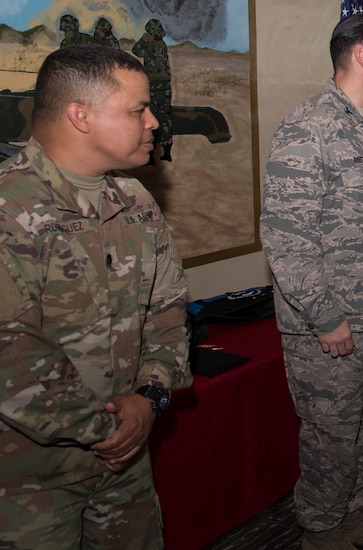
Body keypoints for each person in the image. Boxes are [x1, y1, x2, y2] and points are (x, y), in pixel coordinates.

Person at [0, 45, 191, 548]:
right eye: (137, 109)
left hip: (125, 463)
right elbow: (10, 349)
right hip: (27, 479)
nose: (153, 121)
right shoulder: (8, 208)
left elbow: (168, 307)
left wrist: (150, 397)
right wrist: (103, 429)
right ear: (80, 115)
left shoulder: (134, 200)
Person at [260, 14, 363, 550]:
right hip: (328, 326)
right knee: (331, 440)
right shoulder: (309, 128)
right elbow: (286, 236)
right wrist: (324, 315)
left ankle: (351, 516)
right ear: (361, 56)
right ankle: (321, 531)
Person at [132, 19, 173, 162]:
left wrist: (143, 40)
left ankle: (151, 156)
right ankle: (167, 152)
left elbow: (136, 50)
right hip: (164, 85)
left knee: (152, 117)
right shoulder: (162, 44)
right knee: (165, 117)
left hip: (153, 86)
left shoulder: (150, 46)